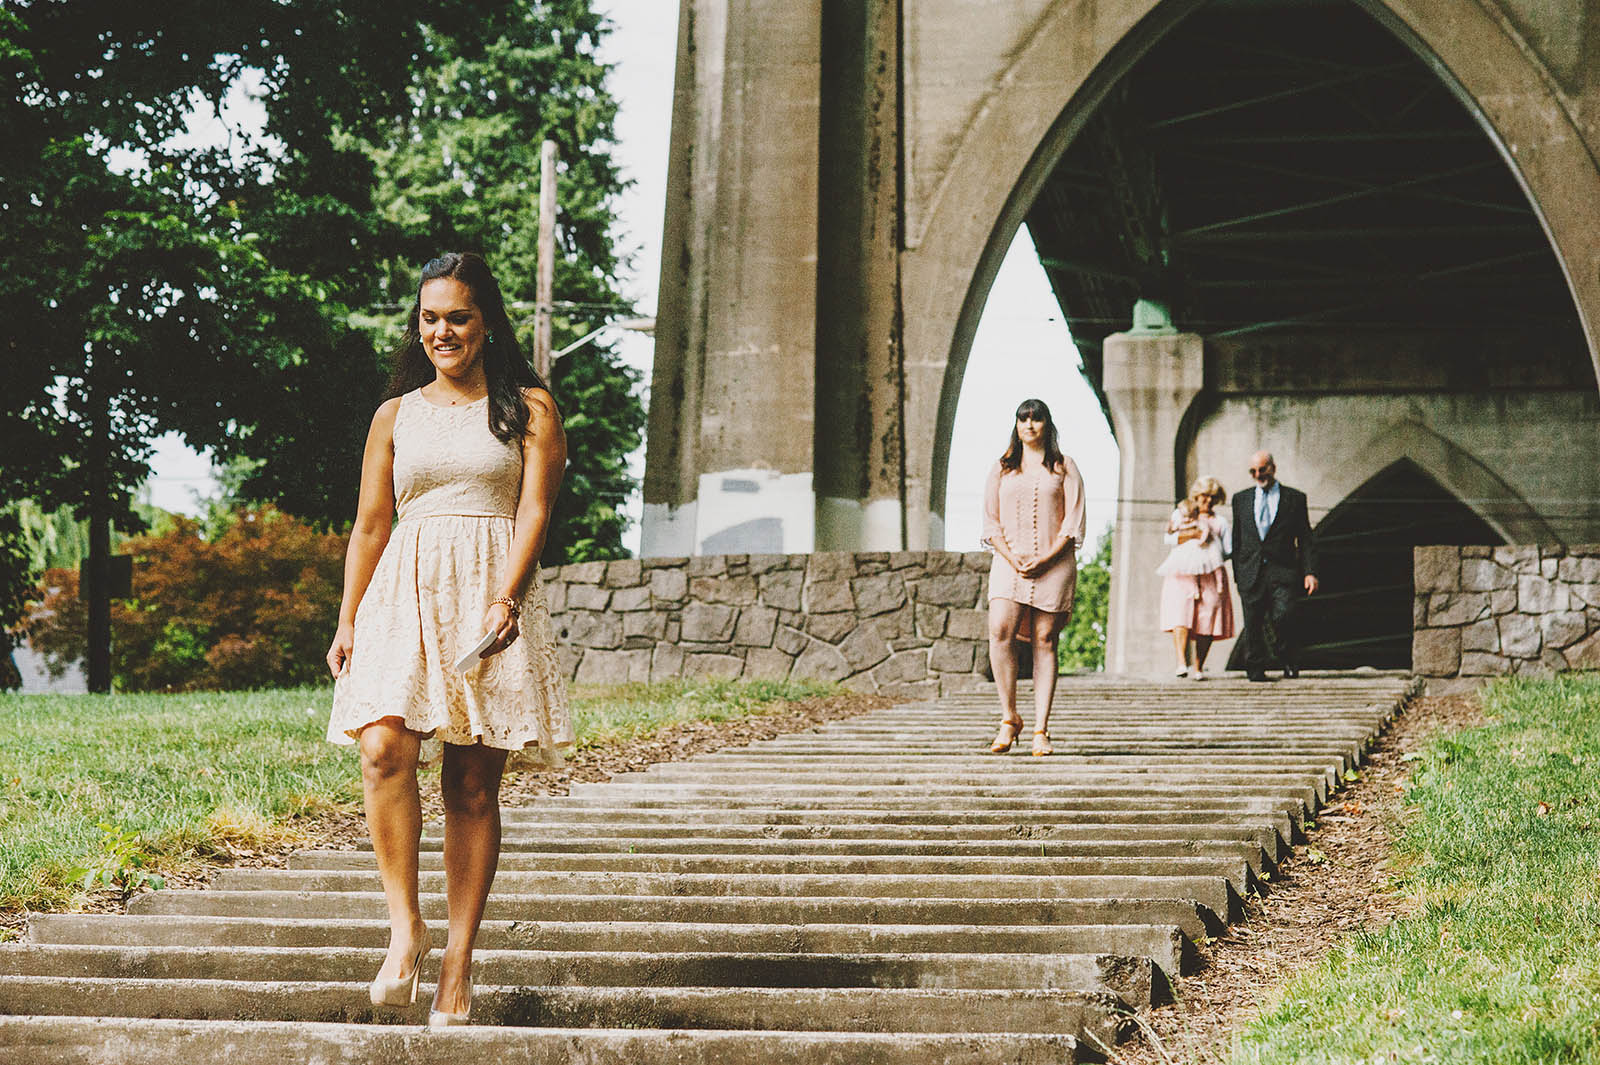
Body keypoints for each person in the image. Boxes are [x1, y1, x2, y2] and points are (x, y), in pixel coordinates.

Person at [324, 251, 573, 1026]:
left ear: (486, 321)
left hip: (486, 594)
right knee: (382, 747)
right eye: (430, 318)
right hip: (404, 591)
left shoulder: (530, 407)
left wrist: (509, 595)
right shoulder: (395, 414)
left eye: (457, 316)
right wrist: (346, 616)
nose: (442, 331)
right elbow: (370, 524)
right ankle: (407, 927)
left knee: (469, 785)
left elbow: (533, 511)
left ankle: (457, 960)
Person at [982, 398, 1087, 757]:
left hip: (1054, 563)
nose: (1029, 425)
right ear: (1016, 425)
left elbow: (1073, 521)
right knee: (1000, 631)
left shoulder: (1064, 466)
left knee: (1045, 639)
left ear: (1047, 424)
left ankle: (1041, 729)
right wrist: (1011, 556)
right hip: (1009, 562)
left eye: (1036, 419)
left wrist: (1046, 558)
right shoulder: (1001, 468)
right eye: (1023, 419)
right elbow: (990, 522)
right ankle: (1009, 717)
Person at [1230, 450, 1318, 682]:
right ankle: (1255, 668)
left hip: (1283, 570)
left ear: (1273, 468)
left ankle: (1287, 658)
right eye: (1253, 471)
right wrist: (1238, 574)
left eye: (1262, 469)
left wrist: (1309, 572)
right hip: (1251, 571)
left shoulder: (1295, 499)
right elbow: (1237, 539)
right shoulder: (1240, 499)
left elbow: (1306, 538)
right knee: (1252, 624)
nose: (1258, 474)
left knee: (1284, 615)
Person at [1157, 477, 1235, 679]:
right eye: (1203, 497)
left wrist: (1210, 549)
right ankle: (1182, 663)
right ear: (1196, 496)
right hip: (1182, 571)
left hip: (1210, 573)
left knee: (1207, 617)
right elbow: (1169, 538)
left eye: (1211, 497)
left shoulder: (1220, 522)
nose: (1207, 501)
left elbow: (1228, 550)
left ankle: (1199, 666)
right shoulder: (1181, 513)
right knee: (1180, 613)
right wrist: (1192, 536)